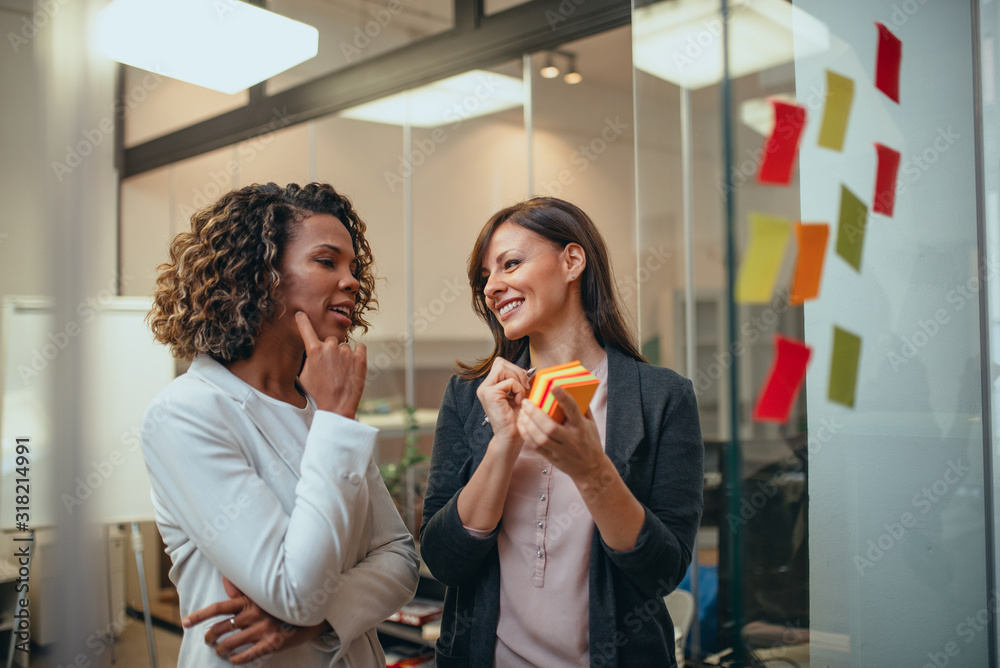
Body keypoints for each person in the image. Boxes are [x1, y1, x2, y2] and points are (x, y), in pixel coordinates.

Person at [141, 182, 419, 666]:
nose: (352, 281)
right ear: (260, 276)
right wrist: (334, 421)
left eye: (354, 267)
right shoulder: (185, 413)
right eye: (327, 261)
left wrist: (320, 621)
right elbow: (294, 591)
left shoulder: (321, 404)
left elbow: (399, 556)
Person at [420, 197, 704, 667]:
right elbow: (444, 560)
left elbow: (662, 571)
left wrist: (593, 470)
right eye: (485, 276)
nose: (493, 286)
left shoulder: (662, 399)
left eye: (511, 263)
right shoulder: (471, 397)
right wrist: (504, 443)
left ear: (572, 261)